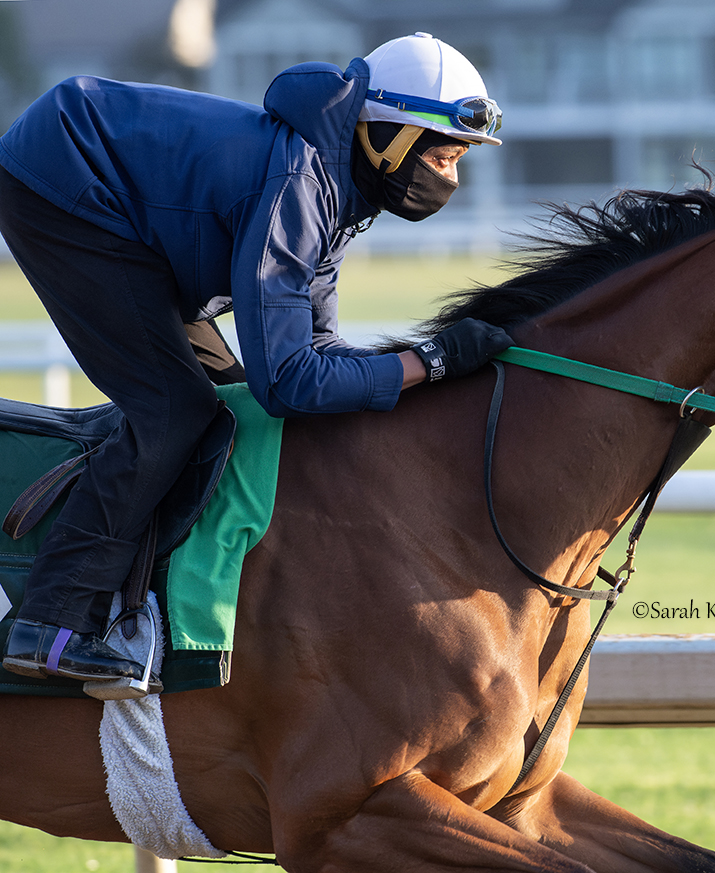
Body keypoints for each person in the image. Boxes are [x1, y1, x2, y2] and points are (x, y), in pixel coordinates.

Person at [0, 33, 512, 697]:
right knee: (175, 409)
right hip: (65, 183)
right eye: (444, 154)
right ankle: (49, 625)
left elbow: (312, 358)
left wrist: (416, 368)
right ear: (387, 135)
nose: (451, 175)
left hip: (128, 210)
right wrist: (429, 361)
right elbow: (290, 383)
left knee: (232, 410)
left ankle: (153, 600)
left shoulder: (338, 192)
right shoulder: (301, 181)